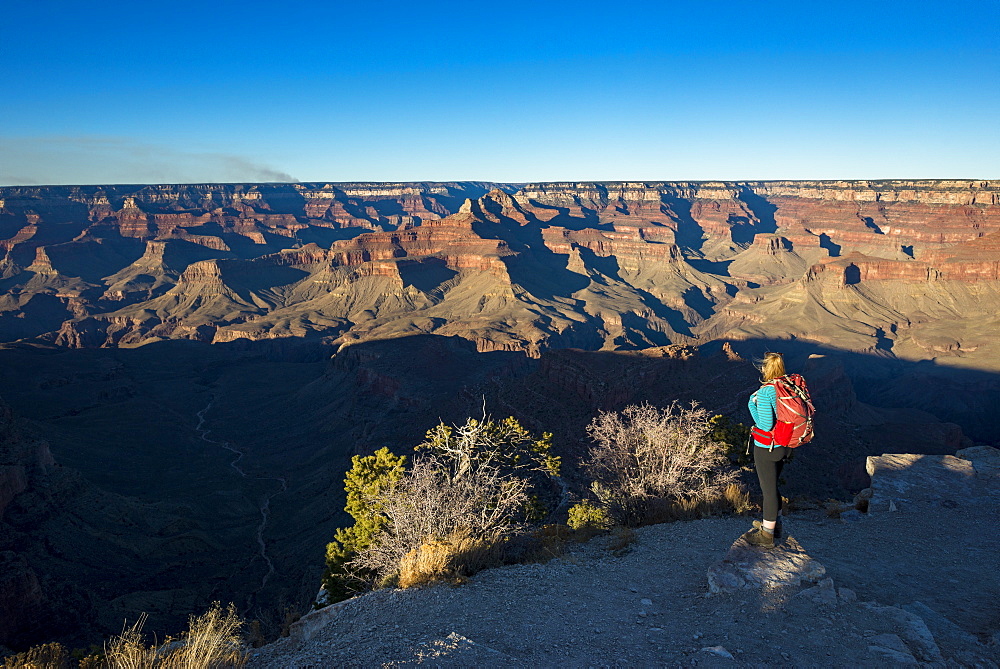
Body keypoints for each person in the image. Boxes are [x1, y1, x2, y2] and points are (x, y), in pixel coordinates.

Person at [745, 351, 789, 548]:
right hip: (785, 446)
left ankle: (767, 535)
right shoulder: (787, 385)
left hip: (767, 447)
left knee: (768, 491)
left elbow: (764, 424)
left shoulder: (765, 392)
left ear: (765, 368)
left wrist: (751, 404)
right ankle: (775, 524)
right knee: (774, 485)